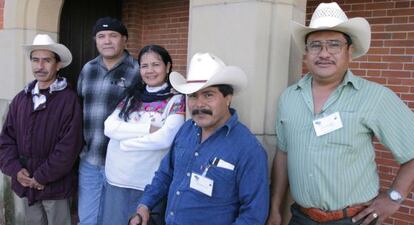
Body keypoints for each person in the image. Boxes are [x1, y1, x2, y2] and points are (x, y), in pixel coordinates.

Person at [267, 2, 414, 225]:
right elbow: (283, 155)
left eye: (334, 44)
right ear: (306, 53)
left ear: (349, 52)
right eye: (315, 45)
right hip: (301, 218)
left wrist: (395, 197)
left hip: (353, 220)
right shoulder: (289, 98)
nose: (324, 53)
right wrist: (276, 208)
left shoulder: (375, 97)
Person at [128, 52, 269, 225]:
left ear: (228, 98)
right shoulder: (186, 129)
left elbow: (253, 215)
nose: (199, 104)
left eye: (208, 95)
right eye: (193, 95)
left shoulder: (248, 149)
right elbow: (165, 174)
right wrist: (144, 205)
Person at [0, 34, 83, 225]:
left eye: (46, 60)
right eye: (35, 60)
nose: (40, 66)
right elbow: (6, 140)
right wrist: (15, 170)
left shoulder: (68, 100)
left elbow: (69, 147)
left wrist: (41, 177)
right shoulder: (21, 99)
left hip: (56, 187)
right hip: (25, 185)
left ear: (58, 64)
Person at [101, 45, 185, 225]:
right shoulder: (132, 96)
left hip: (147, 183)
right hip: (117, 178)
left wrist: (124, 144)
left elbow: (165, 139)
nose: (150, 71)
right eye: (144, 66)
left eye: (156, 64)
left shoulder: (176, 100)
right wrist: (148, 128)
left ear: (168, 66)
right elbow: (109, 127)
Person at [77, 16, 139, 225]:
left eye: (113, 36)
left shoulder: (138, 71)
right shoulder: (88, 69)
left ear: (125, 40)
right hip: (91, 161)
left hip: (122, 164)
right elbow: (78, 109)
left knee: (117, 219)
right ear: (96, 41)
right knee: (88, 219)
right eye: (101, 36)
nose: (107, 41)